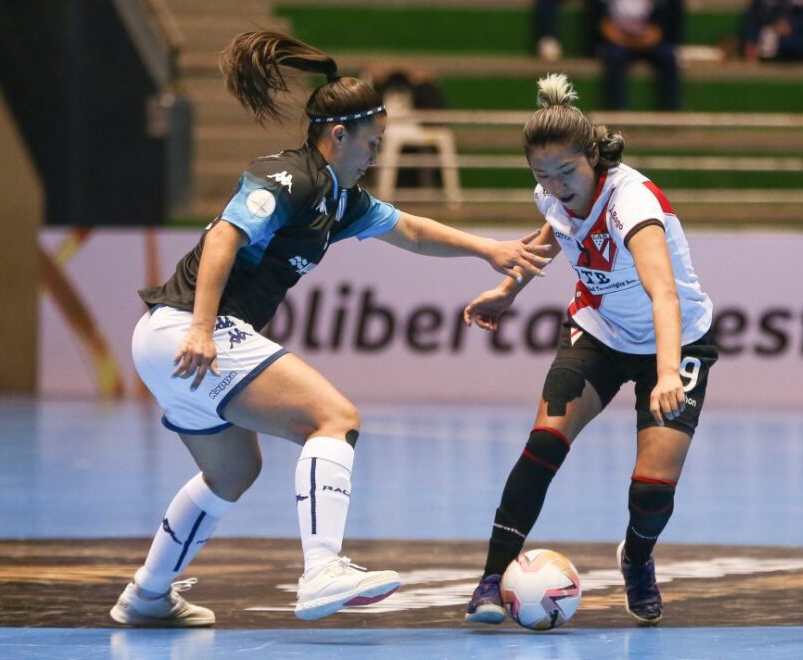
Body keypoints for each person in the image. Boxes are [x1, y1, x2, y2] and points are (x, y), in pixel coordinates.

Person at [109, 31, 551, 627]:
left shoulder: (342, 201)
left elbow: (412, 230)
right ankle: (322, 569)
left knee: (232, 471)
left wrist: (487, 250)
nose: (375, 153)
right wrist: (204, 330)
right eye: (371, 142)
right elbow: (223, 238)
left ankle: (147, 595)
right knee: (334, 418)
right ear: (338, 136)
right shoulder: (290, 178)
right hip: (187, 332)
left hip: (170, 342)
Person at [463, 73, 716, 626]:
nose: (555, 186)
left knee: (654, 486)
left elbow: (664, 293)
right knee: (544, 441)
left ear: (594, 158)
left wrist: (668, 371)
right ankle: (489, 578)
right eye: (541, 175)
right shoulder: (553, 195)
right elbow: (552, 233)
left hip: (676, 340)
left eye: (565, 172)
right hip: (597, 331)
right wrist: (507, 293)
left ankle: (638, 558)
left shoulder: (632, 203)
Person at [589, 0, 684, 110]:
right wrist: (620, 38)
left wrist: (650, 37)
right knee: (614, 57)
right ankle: (618, 110)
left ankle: (672, 109)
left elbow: (661, 25)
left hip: (650, 39)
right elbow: (603, 22)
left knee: (669, 57)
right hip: (616, 40)